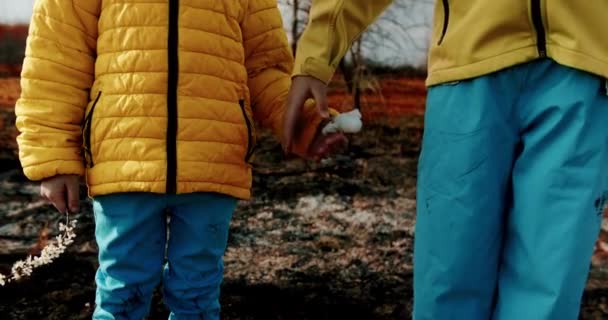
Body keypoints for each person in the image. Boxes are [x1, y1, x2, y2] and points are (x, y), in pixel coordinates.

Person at [14, 0, 346, 318]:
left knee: (197, 293)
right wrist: (53, 156)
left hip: (213, 159)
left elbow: (265, 67)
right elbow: (55, 61)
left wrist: (307, 122)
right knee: (123, 290)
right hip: (125, 159)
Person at [283, 1, 608, 319]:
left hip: (585, 71)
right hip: (467, 64)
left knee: (549, 282)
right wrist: (317, 53)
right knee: (449, 275)